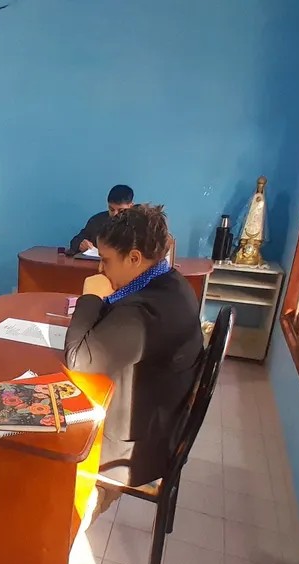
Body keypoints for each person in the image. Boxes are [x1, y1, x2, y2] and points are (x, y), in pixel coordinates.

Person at [64, 204, 202, 511]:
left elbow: (78, 359)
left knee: (47, 443)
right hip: (155, 422)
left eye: (106, 260)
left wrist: (90, 295)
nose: (101, 270)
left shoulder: (145, 314)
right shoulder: (171, 282)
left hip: (132, 452)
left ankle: (75, 517)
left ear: (135, 258)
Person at [68, 184, 134, 253]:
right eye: (111, 209)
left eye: (121, 211)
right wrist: (81, 244)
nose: (115, 214)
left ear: (131, 206)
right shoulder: (97, 221)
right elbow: (75, 241)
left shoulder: (137, 224)